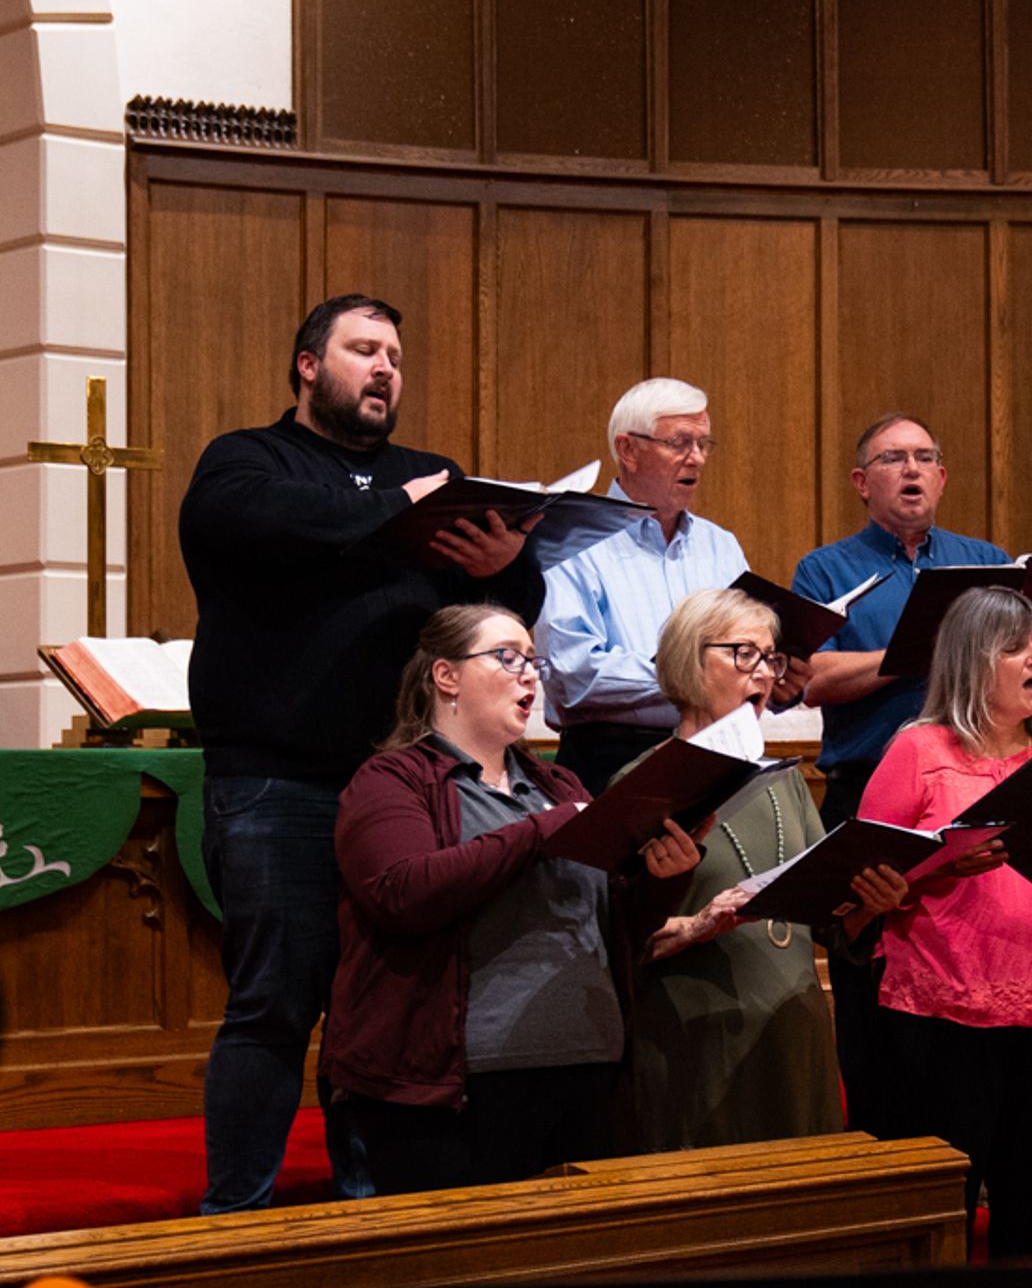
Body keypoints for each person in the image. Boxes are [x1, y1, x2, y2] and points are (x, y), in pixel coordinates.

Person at [179, 294, 540, 1213]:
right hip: (278, 778)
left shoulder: (432, 476)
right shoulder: (247, 462)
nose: (385, 368)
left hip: (407, 782)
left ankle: (373, 1209)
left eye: (395, 356)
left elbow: (501, 612)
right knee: (274, 1002)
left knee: (383, 1007)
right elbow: (257, 522)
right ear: (308, 365)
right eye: (363, 350)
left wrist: (505, 563)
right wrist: (389, 504)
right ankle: (238, 1215)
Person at [322, 603, 701, 1195]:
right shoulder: (392, 780)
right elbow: (402, 894)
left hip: (588, 1065)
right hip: (461, 1087)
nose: (530, 675)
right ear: (446, 676)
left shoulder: (558, 785)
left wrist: (663, 878)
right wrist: (536, 834)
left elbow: (612, 927)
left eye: (534, 661)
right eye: (508, 658)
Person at [844, 585, 1032, 1262]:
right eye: (1015, 647)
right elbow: (863, 882)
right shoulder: (917, 750)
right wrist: (941, 868)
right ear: (972, 661)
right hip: (941, 1017)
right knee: (942, 1211)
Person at [787, 415, 1007, 1132]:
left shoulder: (985, 561)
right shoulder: (826, 570)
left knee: (976, 972)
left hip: (976, 792)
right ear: (862, 481)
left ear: (942, 477)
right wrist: (913, 654)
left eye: (925, 458)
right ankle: (887, 1151)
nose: (911, 470)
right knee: (871, 983)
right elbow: (811, 677)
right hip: (870, 795)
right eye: (892, 458)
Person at [616, 590, 840, 1151]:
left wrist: (877, 893)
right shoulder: (642, 783)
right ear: (691, 662)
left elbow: (829, 906)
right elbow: (614, 942)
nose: (763, 672)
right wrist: (694, 926)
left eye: (771, 658)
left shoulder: (784, 775)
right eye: (744, 654)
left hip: (795, 1031)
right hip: (700, 1045)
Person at [536, 377, 747, 792]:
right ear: (628, 450)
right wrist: (694, 674)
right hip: (607, 759)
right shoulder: (571, 541)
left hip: (715, 751)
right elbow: (572, 672)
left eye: (704, 444)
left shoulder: (721, 547)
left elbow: (744, 654)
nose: (697, 458)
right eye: (680, 443)